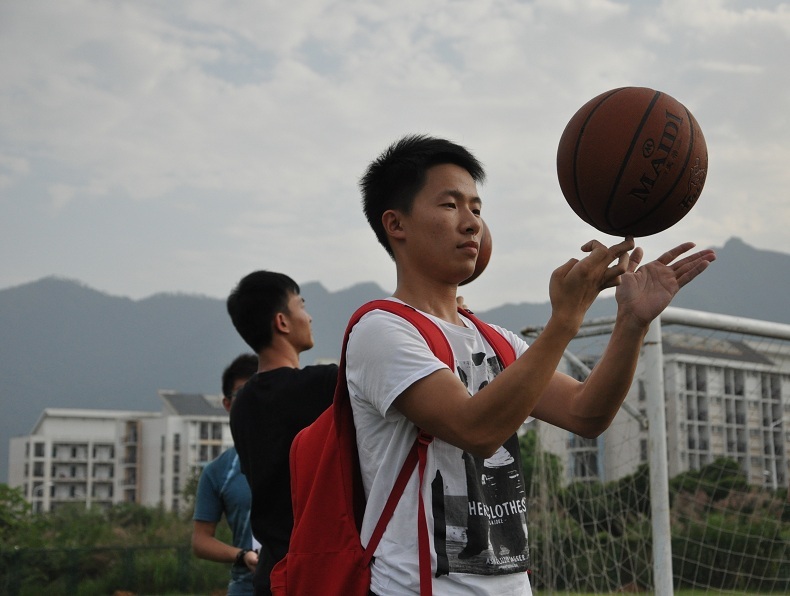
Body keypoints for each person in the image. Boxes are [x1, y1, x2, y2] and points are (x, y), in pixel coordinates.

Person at [348, 134, 716, 594]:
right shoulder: (381, 330)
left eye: (477, 209)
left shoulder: (496, 341)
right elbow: (476, 431)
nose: (472, 223)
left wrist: (631, 323)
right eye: (450, 205)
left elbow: (586, 414)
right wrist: (564, 320)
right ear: (396, 224)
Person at [226, 271, 338, 596]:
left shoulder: (241, 404)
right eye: (301, 305)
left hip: (272, 573)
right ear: (282, 322)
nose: (309, 316)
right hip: (320, 571)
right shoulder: (321, 386)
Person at [192, 353, 260, 596]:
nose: (252, 401)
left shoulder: (300, 455)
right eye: (243, 394)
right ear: (228, 404)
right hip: (247, 586)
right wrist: (242, 555)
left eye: (258, 392)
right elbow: (200, 541)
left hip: (300, 582)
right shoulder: (218, 471)